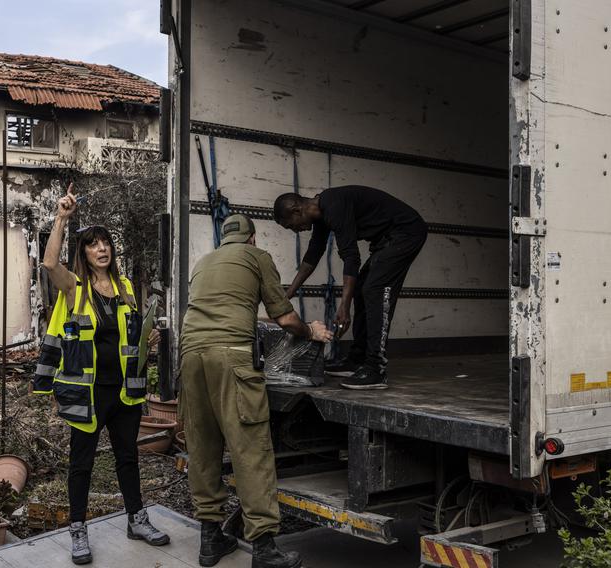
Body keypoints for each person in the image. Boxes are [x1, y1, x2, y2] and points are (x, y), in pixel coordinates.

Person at [180, 214, 333, 568]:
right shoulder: (257, 257)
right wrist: (310, 331)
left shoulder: (204, 263)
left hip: (191, 357)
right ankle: (264, 550)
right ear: (251, 238)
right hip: (231, 359)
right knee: (250, 449)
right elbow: (284, 318)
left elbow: (231, 310)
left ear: (225, 239)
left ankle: (210, 540)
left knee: (203, 448)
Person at [33, 184, 169, 565]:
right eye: (94, 244)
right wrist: (62, 217)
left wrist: (147, 335)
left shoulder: (125, 289)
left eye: (106, 242)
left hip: (124, 393)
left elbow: (130, 338)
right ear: (85, 252)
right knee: (82, 464)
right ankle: (78, 530)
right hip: (88, 394)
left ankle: (137, 520)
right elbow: (48, 264)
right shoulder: (75, 288)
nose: (102, 248)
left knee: (128, 458)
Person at [273, 185, 428, 390]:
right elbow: (312, 256)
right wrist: (288, 295)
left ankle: (375, 368)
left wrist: (344, 307)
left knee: (374, 289)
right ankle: (357, 360)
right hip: (386, 240)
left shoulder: (334, 206)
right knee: (362, 287)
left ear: (296, 210)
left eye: (290, 225)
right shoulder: (320, 216)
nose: (295, 230)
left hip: (406, 231)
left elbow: (351, 257)